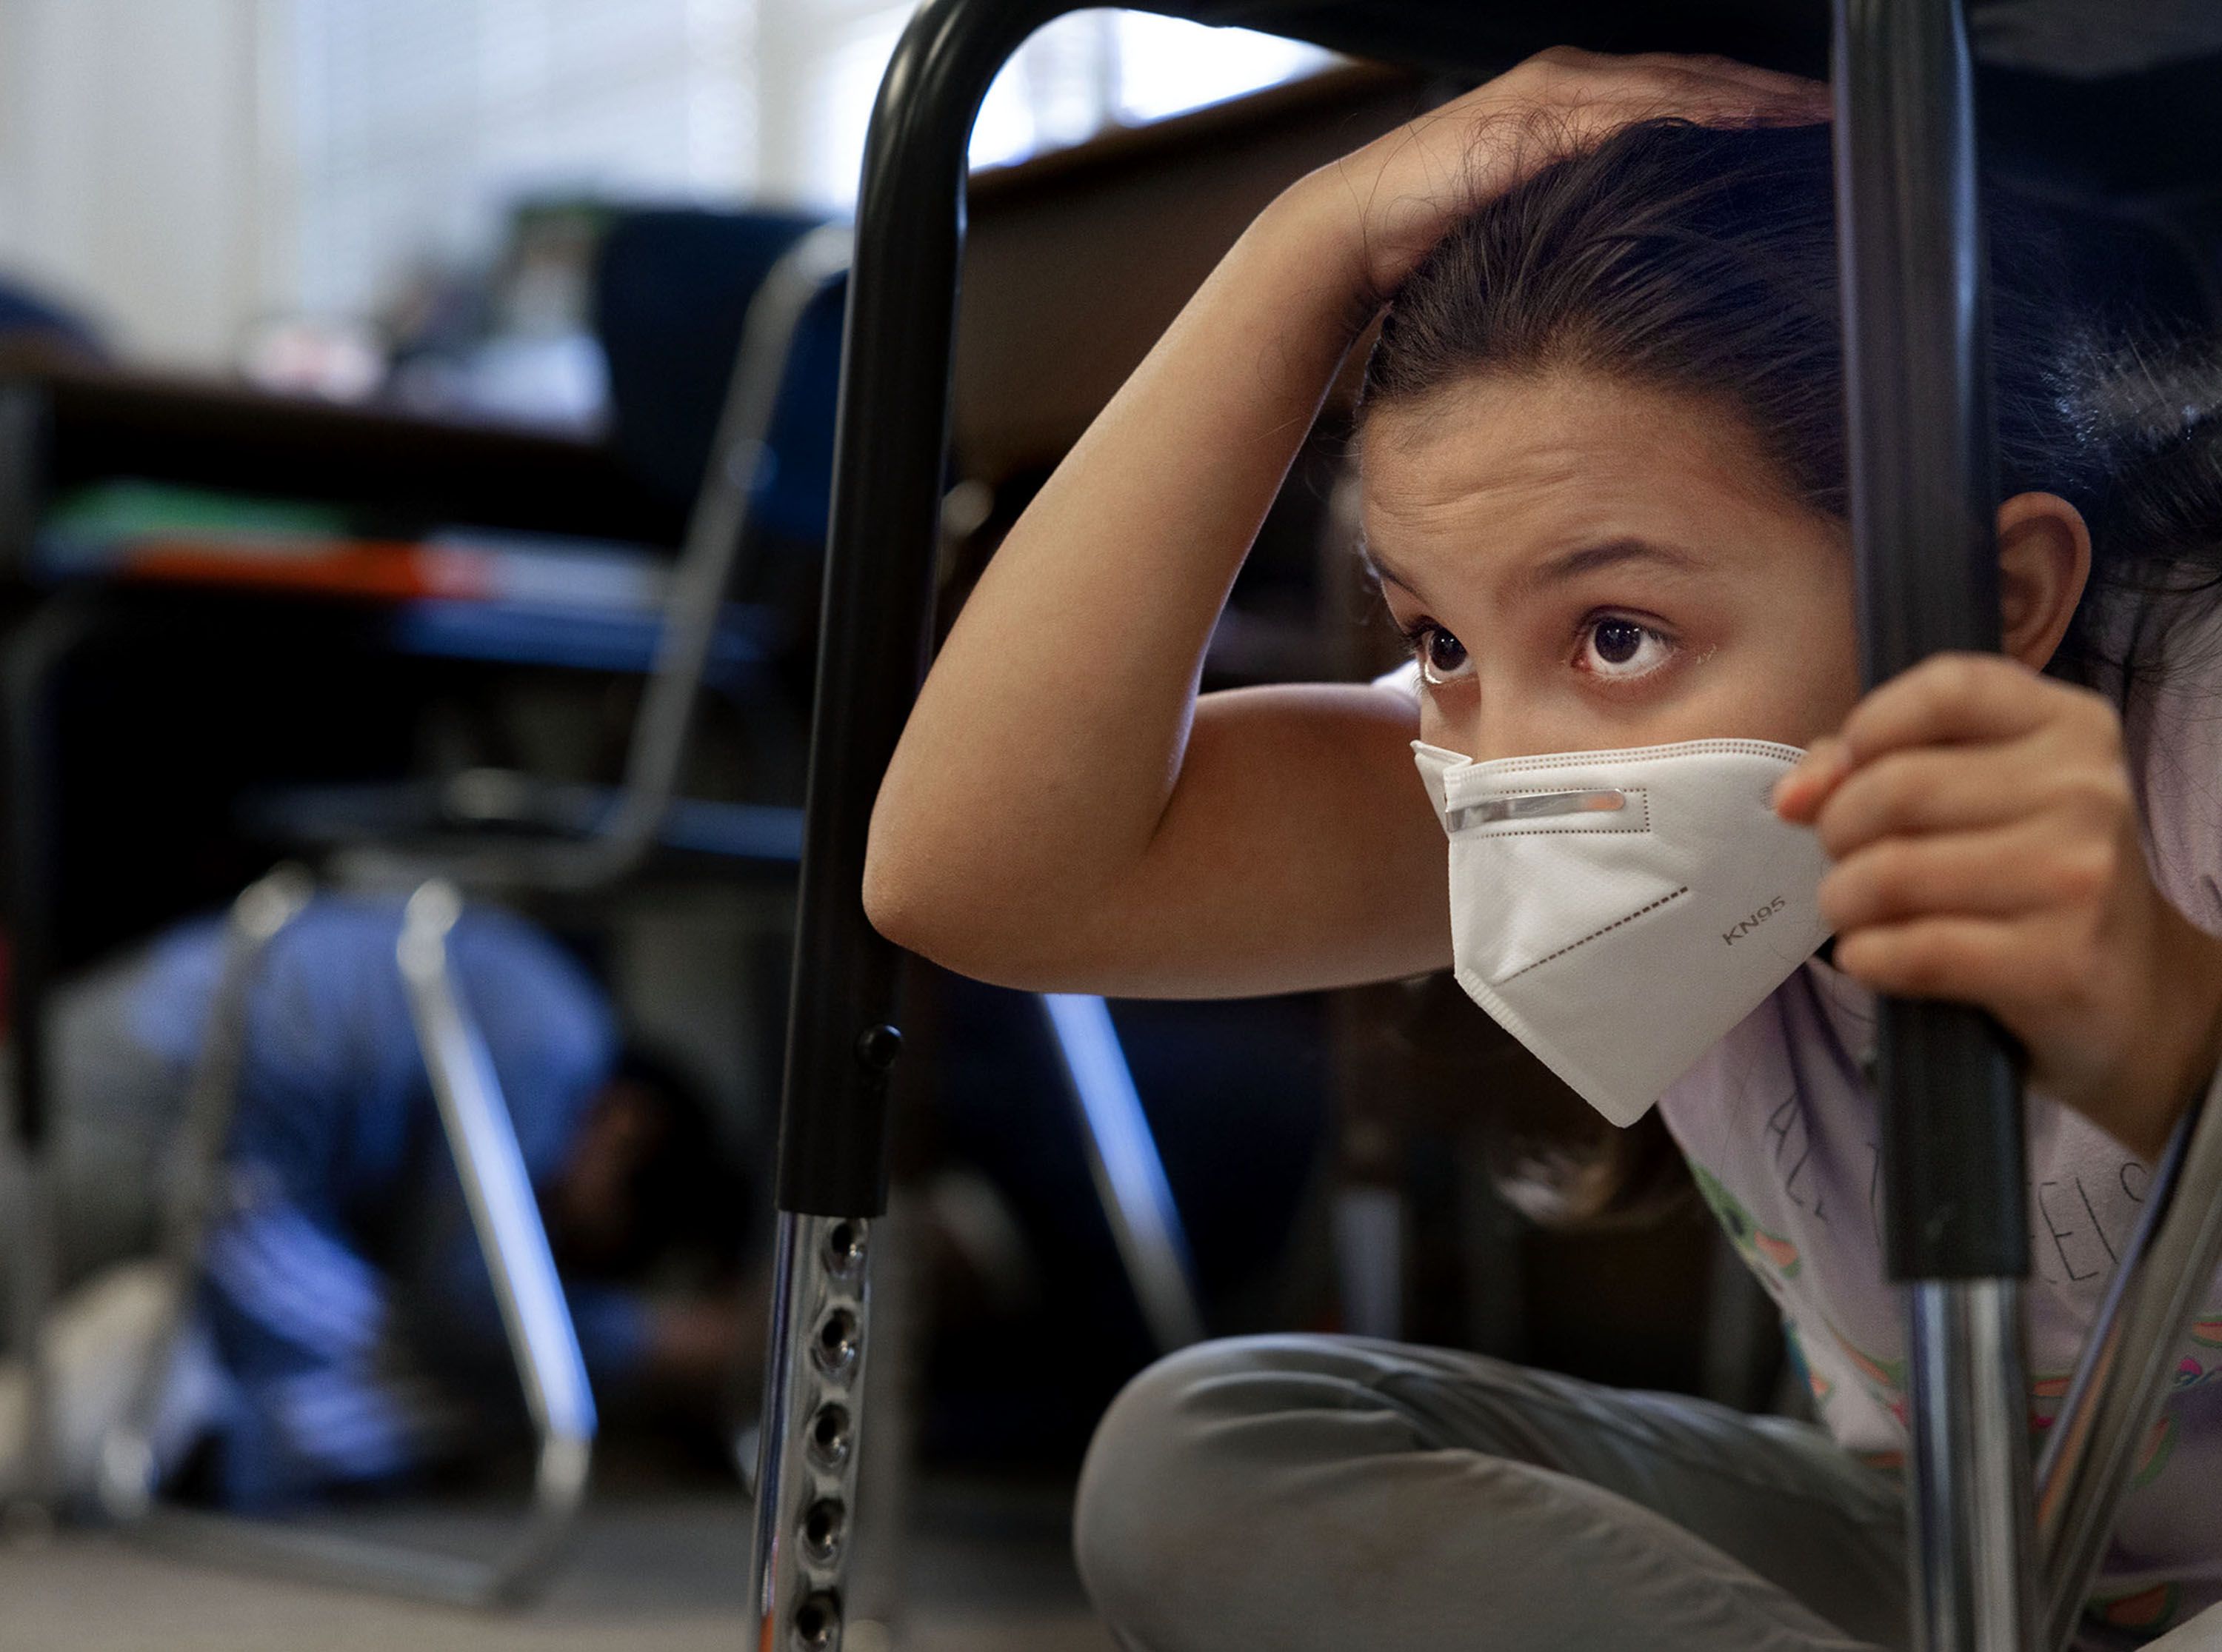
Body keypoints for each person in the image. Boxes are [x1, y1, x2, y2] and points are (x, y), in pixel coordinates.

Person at [860, 46, 2222, 1652]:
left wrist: (2167, 1023)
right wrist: (1307, 247)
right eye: (1438, 640)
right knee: (1213, 1450)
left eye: (1622, 633)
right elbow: (979, 873)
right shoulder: (1546, 761)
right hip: (1967, 1561)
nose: (1505, 765)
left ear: (1994, 597)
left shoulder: (2193, 717)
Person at [9, 893, 753, 1511]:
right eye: (586, 1237)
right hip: (124, 1160)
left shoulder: (518, 983)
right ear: (629, 1124)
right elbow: (470, 1306)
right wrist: (669, 1344)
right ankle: (159, 1422)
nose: (562, 1248)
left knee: (416, 1339)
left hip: (68, 1133)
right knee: (436, 1366)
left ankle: (129, 1401)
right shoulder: (560, 1040)